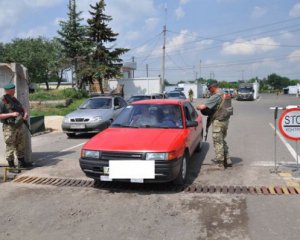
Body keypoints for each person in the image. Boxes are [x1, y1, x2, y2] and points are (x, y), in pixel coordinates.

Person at [196, 83, 232, 170]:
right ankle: (227, 159)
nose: (208, 90)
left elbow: (203, 106)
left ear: (213, 87)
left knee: (217, 142)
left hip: (218, 122)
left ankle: (220, 164)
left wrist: (198, 106)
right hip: (225, 121)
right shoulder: (224, 93)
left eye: (209, 88)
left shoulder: (216, 96)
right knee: (222, 140)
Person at [0, 83, 32, 170]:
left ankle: (22, 163)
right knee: (10, 146)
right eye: (12, 90)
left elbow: (22, 108)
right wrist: (12, 114)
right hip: (9, 127)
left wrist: (25, 113)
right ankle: (11, 166)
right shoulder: (2, 101)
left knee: (20, 144)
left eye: (14, 89)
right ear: (7, 91)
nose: (14, 91)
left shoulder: (14, 99)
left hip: (18, 126)